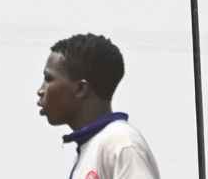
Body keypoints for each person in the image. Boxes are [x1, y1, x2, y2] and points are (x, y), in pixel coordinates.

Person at [36, 33, 160, 179]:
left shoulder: (122, 144)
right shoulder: (93, 146)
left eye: (48, 79)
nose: (40, 90)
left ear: (80, 89)